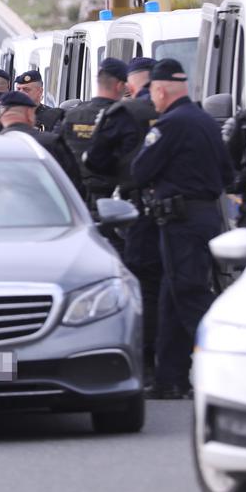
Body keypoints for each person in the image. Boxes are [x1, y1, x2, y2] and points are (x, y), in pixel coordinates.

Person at [129, 58, 235, 400]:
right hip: (203, 218)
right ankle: (169, 378)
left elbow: (140, 170)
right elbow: (226, 172)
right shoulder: (204, 120)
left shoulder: (170, 125)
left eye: (153, 95)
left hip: (181, 222)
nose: (153, 101)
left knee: (189, 295)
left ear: (160, 90)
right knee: (172, 299)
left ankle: (228, 368)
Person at [84, 64, 162, 375]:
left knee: (141, 285)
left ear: (128, 83)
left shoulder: (123, 113)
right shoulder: (186, 113)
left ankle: (143, 360)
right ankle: (171, 368)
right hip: (179, 217)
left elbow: (96, 162)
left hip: (132, 209)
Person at [61, 59, 128, 202]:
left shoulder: (72, 115)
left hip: (75, 198)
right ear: (120, 85)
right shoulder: (124, 116)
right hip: (114, 199)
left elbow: (57, 153)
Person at [0, 91, 84, 197]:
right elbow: (73, 186)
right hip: (44, 210)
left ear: (1, 117)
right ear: (29, 114)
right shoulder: (51, 142)